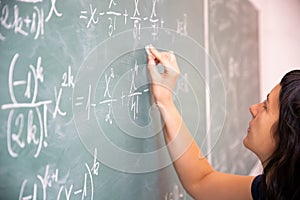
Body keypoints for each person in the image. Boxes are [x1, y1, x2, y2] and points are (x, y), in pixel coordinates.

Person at [146, 45, 300, 200]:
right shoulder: (272, 188)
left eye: (266, 107)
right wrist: (164, 99)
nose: (253, 109)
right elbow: (201, 182)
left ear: (287, 137)